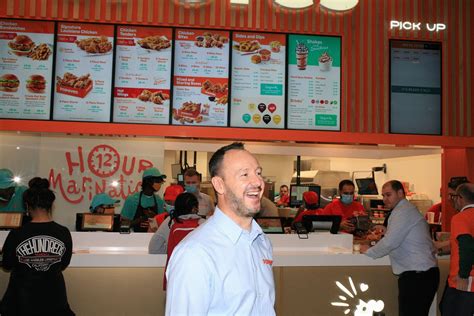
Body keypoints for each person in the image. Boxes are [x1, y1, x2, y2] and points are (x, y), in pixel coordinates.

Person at [165, 142, 275, 315]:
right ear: (219, 185)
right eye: (245, 174)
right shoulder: (194, 254)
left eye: (258, 173)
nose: (258, 182)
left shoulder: (261, 242)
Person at [363, 180, 439, 316]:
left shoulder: (403, 211)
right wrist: (387, 231)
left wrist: (368, 252)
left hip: (418, 276)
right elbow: (402, 236)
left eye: (388, 195)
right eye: (383, 195)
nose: (385, 199)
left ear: (400, 193)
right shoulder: (403, 210)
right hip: (420, 274)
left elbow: (390, 243)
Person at [0, 177, 74, 315]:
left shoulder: (17, 234)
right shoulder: (63, 232)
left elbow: (7, 264)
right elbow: (64, 264)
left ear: (27, 206)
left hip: (21, 302)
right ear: (51, 205)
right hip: (54, 301)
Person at [439, 183, 474, 315]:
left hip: (464, 281)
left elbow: (467, 245)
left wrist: (463, 275)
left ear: (460, 198)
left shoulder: (461, 218)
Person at [121, 167, 166, 232]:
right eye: (157, 181)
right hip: (133, 239)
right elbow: (123, 225)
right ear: (147, 181)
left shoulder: (159, 201)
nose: (159, 184)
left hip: (151, 239)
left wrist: (154, 220)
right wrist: (140, 220)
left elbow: (162, 228)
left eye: (160, 182)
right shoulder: (132, 200)